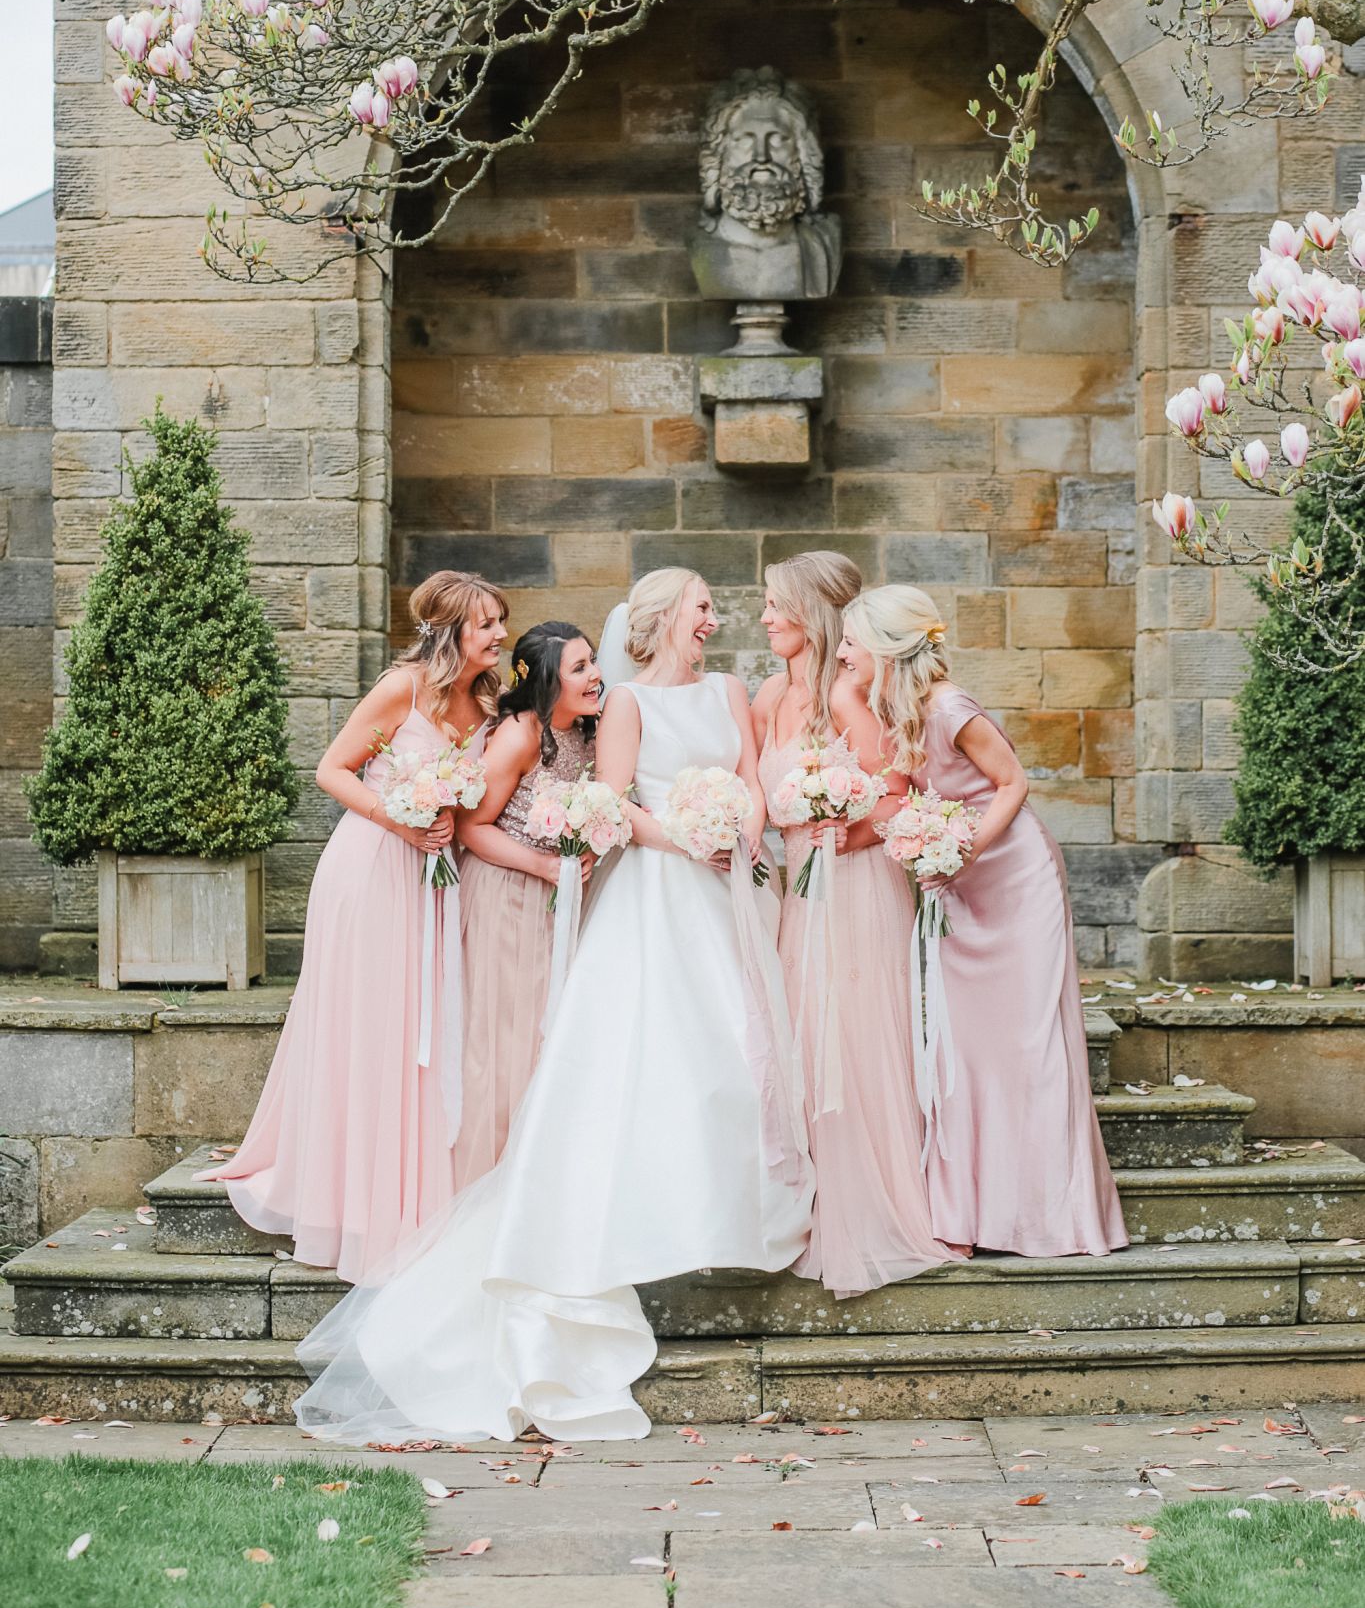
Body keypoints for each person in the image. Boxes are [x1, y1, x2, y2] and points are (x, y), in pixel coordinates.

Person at [293, 567, 811, 1443]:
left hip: (706, 888)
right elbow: (565, 810)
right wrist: (673, 837)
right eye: (574, 666)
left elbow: (678, 787)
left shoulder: (634, 708)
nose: (590, 677)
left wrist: (738, 823)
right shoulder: (529, 726)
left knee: (734, 1048)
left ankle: (735, 1197)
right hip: (595, 890)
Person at [201, 570, 508, 1283]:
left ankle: (415, 1175)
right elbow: (333, 769)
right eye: (486, 623)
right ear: (450, 631)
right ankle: (354, 1196)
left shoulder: (488, 698)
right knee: (371, 1022)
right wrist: (395, 818)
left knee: (423, 1024)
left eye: (499, 621)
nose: (498, 634)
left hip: (437, 874)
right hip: (373, 868)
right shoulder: (403, 688)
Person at [840, 585, 1128, 1260]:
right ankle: (970, 1214)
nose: (843, 652)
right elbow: (903, 797)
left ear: (886, 647)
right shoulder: (892, 708)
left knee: (1027, 1046)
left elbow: (1012, 784)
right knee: (965, 1050)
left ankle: (1049, 1218)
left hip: (1013, 879)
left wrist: (961, 849)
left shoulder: (948, 707)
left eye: (851, 641)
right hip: (956, 882)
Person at [753, 552, 953, 1297]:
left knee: (853, 1032)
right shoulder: (771, 695)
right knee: (801, 1032)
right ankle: (805, 1198)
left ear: (810, 611)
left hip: (857, 884)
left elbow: (893, 795)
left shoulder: (847, 695)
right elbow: (750, 787)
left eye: (776, 603)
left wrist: (848, 836)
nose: (766, 617)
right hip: (797, 891)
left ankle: (868, 1205)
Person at [453, 620, 603, 1192]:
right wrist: (544, 866)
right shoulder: (519, 735)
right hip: (507, 895)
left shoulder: (591, 729)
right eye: (580, 668)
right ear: (546, 681)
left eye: (592, 663)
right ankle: (490, 1183)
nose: (595, 677)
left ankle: (545, 1179)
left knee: (552, 1038)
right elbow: (472, 828)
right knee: (508, 1041)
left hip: (562, 897)